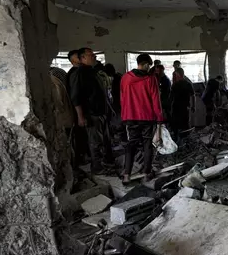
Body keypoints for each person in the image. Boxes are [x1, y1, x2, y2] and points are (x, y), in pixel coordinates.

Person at [120, 53, 165, 184]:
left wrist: (125, 115)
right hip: (147, 118)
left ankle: (126, 175)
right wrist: (160, 119)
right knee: (147, 145)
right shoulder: (151, 79)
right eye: (149, 65)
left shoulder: (126, 78)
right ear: (146, 64)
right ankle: (146, 173)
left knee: (131, 144)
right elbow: (156, 101)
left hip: (130, 117)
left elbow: (122, 98)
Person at [69, 47, 114, 174]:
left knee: (103, 140)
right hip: (91, 114)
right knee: (95, 142)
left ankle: (104, 164)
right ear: (82, 58)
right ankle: (97, 168)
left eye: (94, 54)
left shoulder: (93, 71)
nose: (94, 57)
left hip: (101, 112)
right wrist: (80, 117)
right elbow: (76, 98)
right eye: (91, 55)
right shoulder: (79, 73)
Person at [170, 67, 195, 140]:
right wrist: (194, 106)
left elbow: (171, 98)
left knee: (176, 125)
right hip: (185, 107)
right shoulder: (188, 84)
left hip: (176, 107)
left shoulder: (175, 85)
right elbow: (193, 96)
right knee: (185, 124)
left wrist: (168, 108)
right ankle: (185, 140)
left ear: (178, 74)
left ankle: (177, 140)